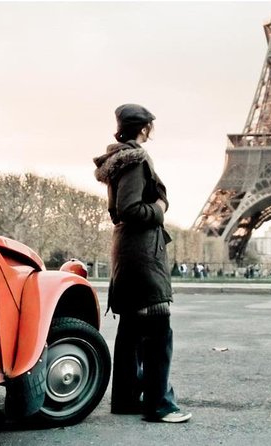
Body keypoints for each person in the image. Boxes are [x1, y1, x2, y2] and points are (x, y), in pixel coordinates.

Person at [93, 104, 191, 423]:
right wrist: (161, 208)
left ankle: (125, 399)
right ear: (144, 128)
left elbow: (115, 212)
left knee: (132, 328)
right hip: (143, 254)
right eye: (150, 126)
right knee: (159, 328)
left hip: (128, 252)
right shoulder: (136, 160)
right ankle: (159, 404)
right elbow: (129, 209)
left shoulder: (118, 161)